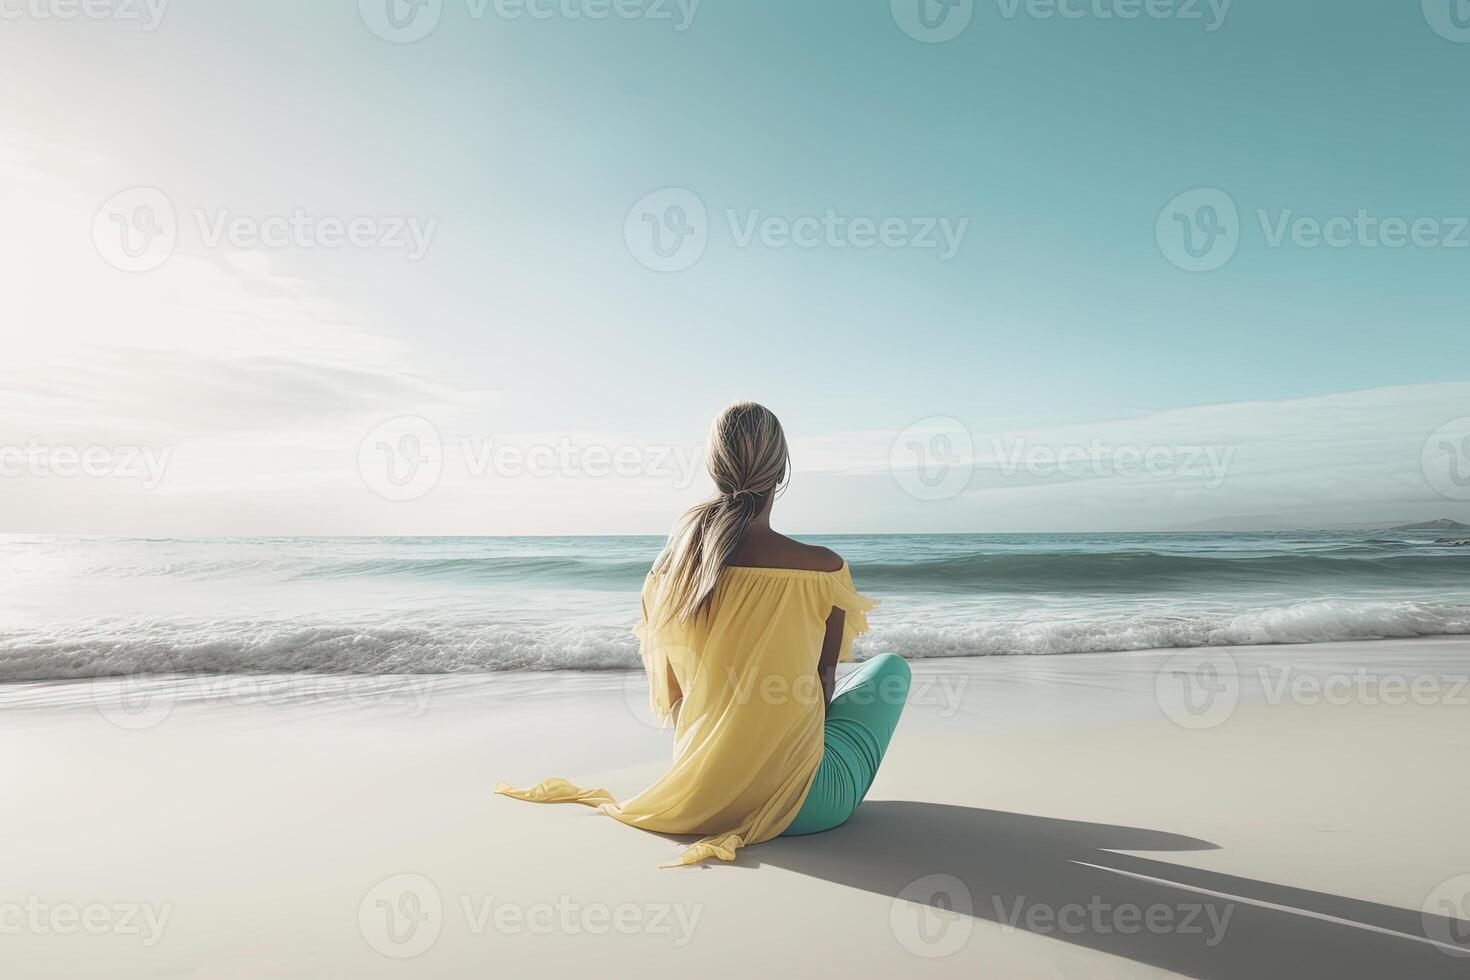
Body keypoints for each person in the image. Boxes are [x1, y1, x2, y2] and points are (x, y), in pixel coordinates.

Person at [497, 402, 911, 866]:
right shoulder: (823, 569)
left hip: (698, 798)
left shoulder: (671, 573)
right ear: (782, 472)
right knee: (888, 668)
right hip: (806, 808)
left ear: (714, 469)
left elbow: (674, 699)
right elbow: (823, 682)